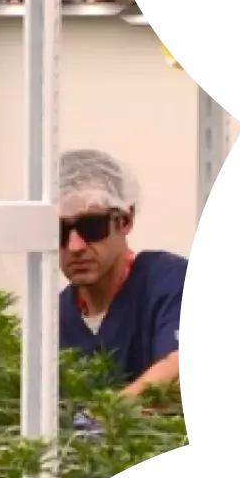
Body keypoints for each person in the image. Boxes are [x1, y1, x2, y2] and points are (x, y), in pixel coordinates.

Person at [58, 149, 187, 401]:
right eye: (59, 231)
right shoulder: (56, 317)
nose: (75, 246)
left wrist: (104, 416)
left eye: (92, 227)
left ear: (126, 220)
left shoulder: (169, 283)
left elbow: (179, 369)